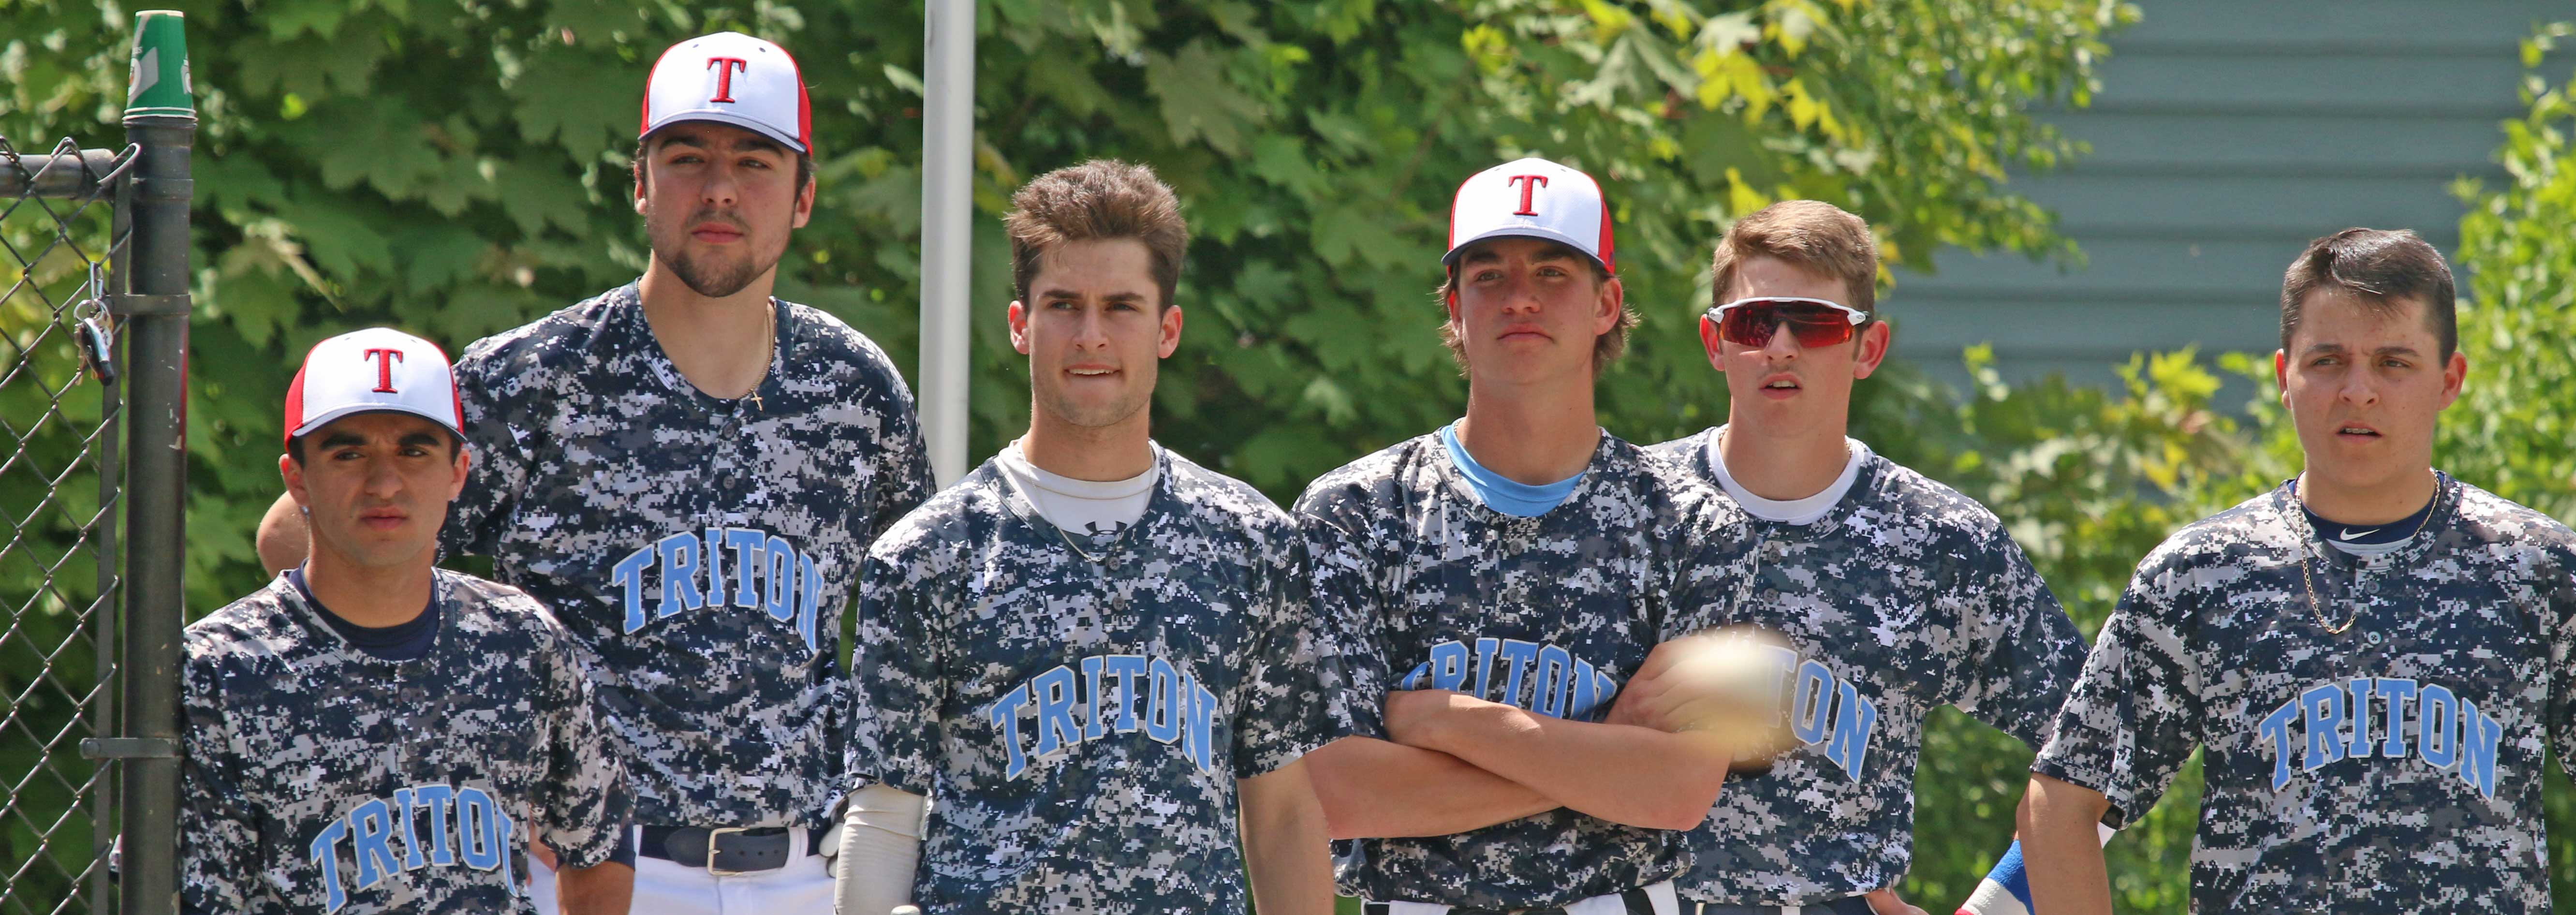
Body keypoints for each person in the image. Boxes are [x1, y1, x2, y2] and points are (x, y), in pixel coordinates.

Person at [254, 32, 934, 913]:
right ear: (640, 184)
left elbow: (916, 618)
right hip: (587, 875)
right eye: (687, 158)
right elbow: (296, 540)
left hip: (805, 872)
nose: (720, 188)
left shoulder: (853, 387)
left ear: (803, 197)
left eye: (754, 162)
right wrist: (462, 736)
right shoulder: (537, 378)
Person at [835, 160, 1345, 915]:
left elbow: (1281, 814)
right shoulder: (928, 554)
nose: (1091, 336)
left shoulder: (1250, 544)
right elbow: (884, 816)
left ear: (1167, 330)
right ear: (1021, 324)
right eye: (1064, 305)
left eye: (1121, 307)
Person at [2019, 228, 2576, 913]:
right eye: (2327, 361)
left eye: (2393, 363)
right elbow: (2059, 805)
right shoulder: (2201, 576)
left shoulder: (2538, 570)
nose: (2357, 391)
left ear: (2448, 380)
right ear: (2284, 376)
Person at [1295, 157, 1755, 915]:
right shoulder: (1356, 512)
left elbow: (1678, 790)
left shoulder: (1693, 524)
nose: (1518, 298)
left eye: (1551, 273)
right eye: (1488, 276)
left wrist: (1445, 721)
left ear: (1606, 304)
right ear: (1454, 307)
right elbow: (1334, 792)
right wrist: (1602, 752)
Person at [1635, 201, 2089, 915]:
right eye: (1752, 323)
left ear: (1867, 348)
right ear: (1714, 341)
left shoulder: (1940, 540)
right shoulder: (1625, 509)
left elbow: (2103, 746)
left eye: (1814, 324)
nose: (1779, 347)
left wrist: (1996, 905)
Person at [184, 328, 631, 915]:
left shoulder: (521, 638)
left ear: (459, 471)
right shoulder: (219, 667)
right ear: (297, 478)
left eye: (414, 452)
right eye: (349, 454)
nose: (384, 483)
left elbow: (598, 842)